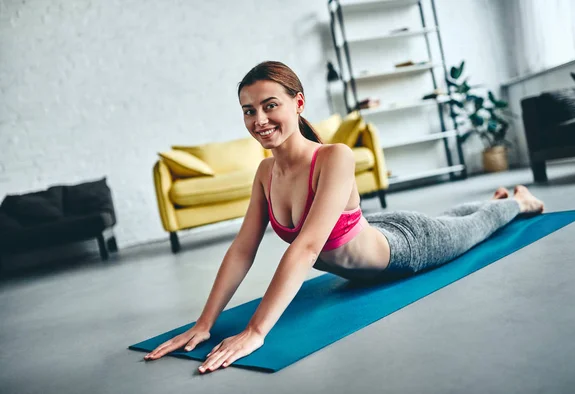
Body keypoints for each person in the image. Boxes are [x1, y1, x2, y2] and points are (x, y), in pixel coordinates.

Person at [144, 61, 544, 373]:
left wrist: (255, 331)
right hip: (379, 232)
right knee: (454, 220)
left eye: (270, 106)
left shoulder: (334, 157)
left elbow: (308, 246)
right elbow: (242, 250)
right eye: (249, 111)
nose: (259, 121)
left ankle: (517, 201)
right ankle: (494, 200)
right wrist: (204, 323)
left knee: (472, 230)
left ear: (298, 104)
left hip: (406, 248)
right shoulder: (266, 174)